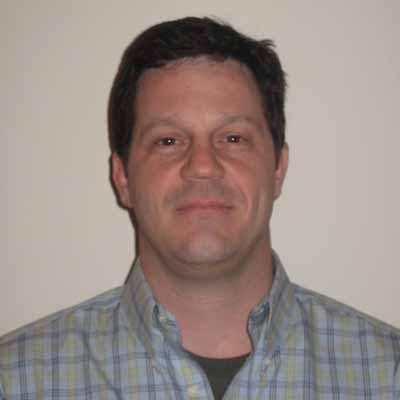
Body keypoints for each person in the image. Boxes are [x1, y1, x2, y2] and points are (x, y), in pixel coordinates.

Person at [0, 16, 399, 400]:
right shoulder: (14, 382)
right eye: (168, 141)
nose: (203, 166)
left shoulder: (388, 375)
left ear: (278, 167)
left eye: (233, 138)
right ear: (123, 178)